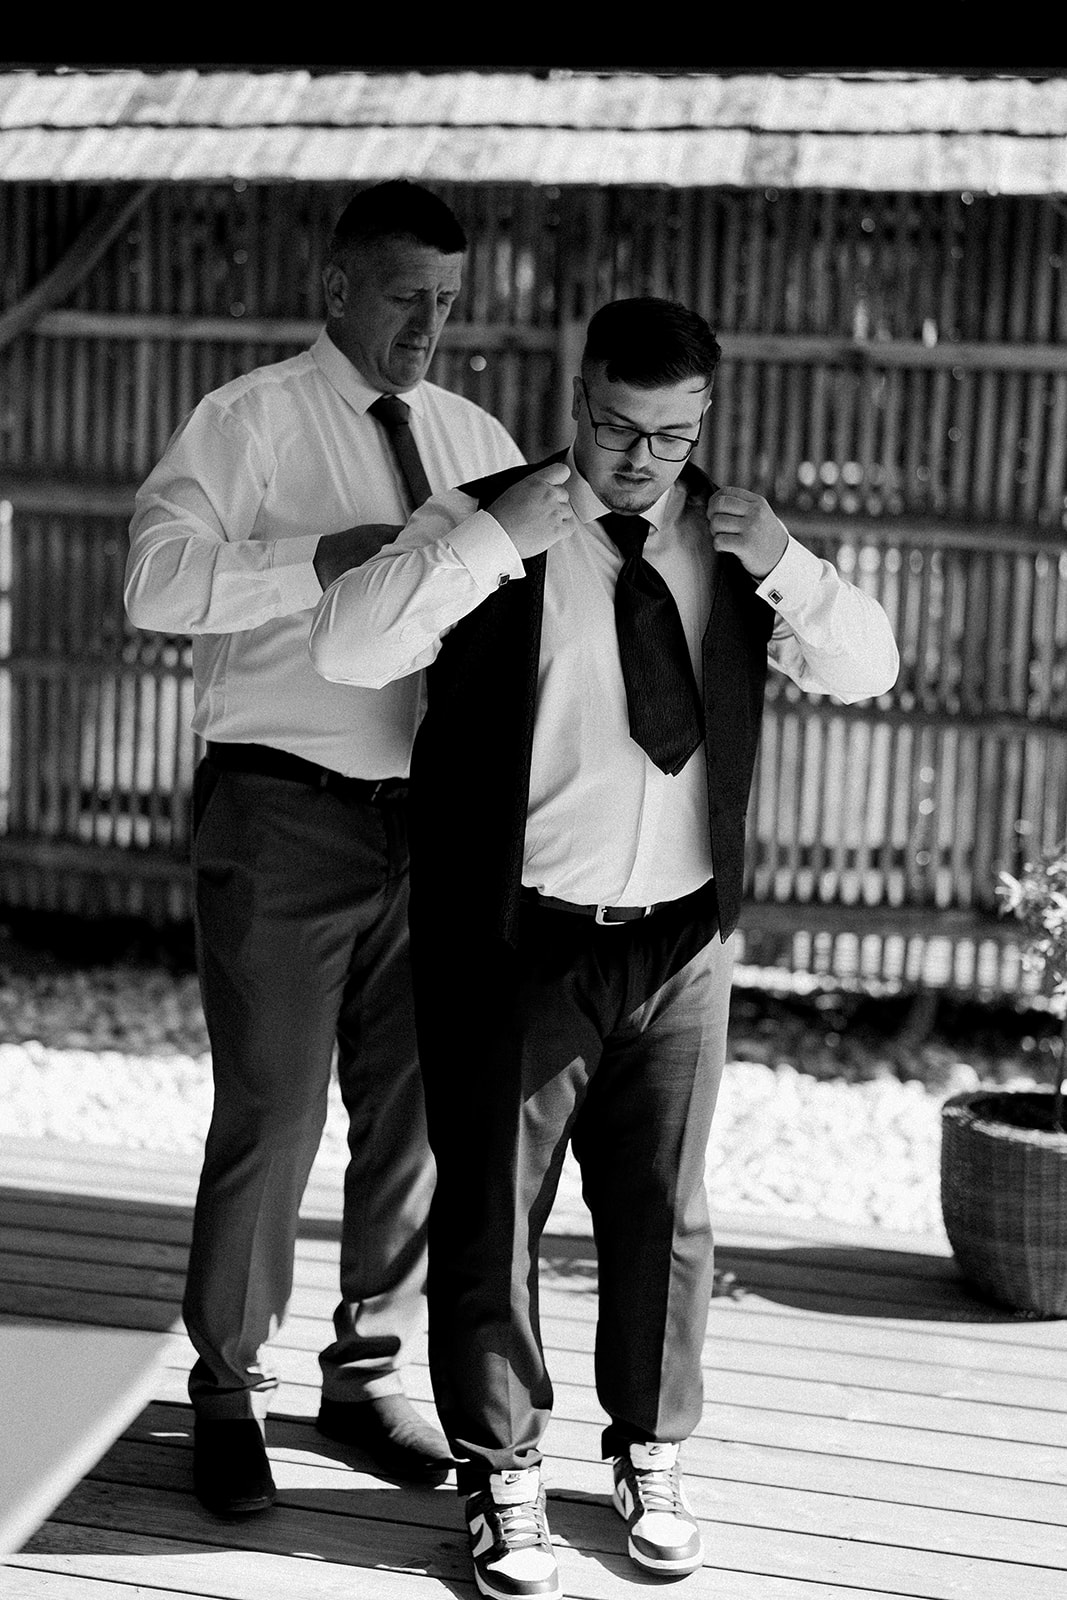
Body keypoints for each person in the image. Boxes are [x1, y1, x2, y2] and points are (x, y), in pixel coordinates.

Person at [309, 296, 898, 1599]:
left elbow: (869, 665)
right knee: (492, 1217)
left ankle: (650, 1450)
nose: (643, 459)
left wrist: (792, 564)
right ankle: (502, 1471)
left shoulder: (737, 545)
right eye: (621, 428)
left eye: (673, 435)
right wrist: (487, 546)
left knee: (666, 1214)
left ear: (705, 420)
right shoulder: (483, 519)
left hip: (683, 940)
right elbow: (346, 645)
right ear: (579, 400)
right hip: (520, 939)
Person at [124, 180, 525, 1518]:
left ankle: (365, 1377)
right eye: (407, 295)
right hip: (281, 811)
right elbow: (153, 584)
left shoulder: (475, 440)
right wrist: (314, 560)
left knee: (411, 1116)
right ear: (337, 286)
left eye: (448, 301)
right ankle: (227, 1388)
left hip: (437, 821)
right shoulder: (246, 423)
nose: (429, 326)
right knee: (276, 1109)